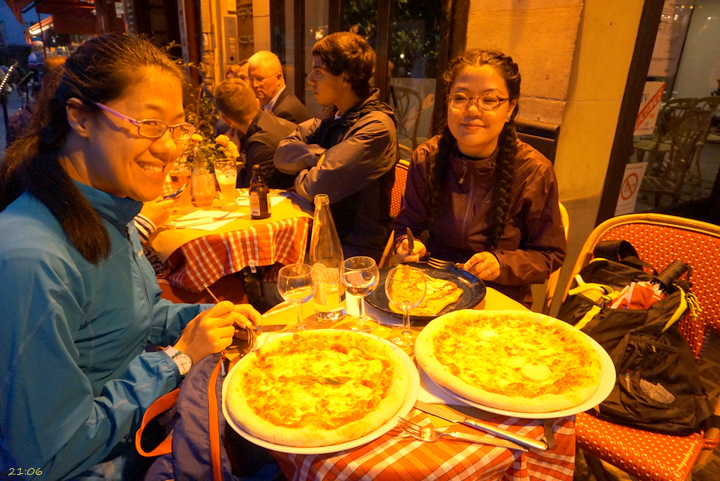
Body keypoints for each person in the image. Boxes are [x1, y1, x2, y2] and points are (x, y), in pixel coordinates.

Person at [0, 34, 261, 480]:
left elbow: (132, 314)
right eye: (149, 124)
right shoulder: (30, 259)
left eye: (177, 127)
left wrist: (204, 318)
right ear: (80, 117)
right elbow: (43, 459)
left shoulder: (106, 206)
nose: (170, 147)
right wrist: (177, 360)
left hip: (145, 434)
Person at [392, 49, 566, 307]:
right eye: (460, 98)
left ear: (510, 108)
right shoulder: (427, 157)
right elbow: (407, 225)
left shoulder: (534, 171)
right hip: (432, 291)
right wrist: (408, 245)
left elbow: (549, 254)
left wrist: (501, 263)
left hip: (500, 299)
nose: (472, 110)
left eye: (489, 100)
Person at [274, 31, 398, 261]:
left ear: (345, 78)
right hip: (322, 236)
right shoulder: (333, 115)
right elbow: (282, 152)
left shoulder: (375, 127)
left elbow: (314, 187)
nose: (310, 79)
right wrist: (316, 156)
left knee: (273, 276)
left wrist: (302, 173)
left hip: (355, 253)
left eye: (319, 72)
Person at [214, 78, 297, 188]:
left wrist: (235, 156)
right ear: (257, 103)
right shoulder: (270, 119)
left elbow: (248, 191)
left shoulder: (261, 143)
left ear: (227, 120)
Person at [247, 50, 310, 124]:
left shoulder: (286, 113)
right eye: (251, 79)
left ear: (278, 78)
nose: (255, 85)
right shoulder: (269, 105)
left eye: (260, 79)